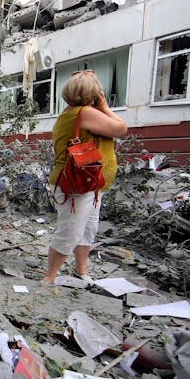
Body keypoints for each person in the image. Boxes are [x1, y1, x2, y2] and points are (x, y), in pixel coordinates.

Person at [42, 70, 127, 284]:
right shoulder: (84, 113)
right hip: (77, 184)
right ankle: (49, 278)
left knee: (88, 229)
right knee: (71, 230)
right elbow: (121, 128)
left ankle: (81, 271)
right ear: (92, 96)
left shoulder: (76, 113)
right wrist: (105, 106)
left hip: (91, 184)